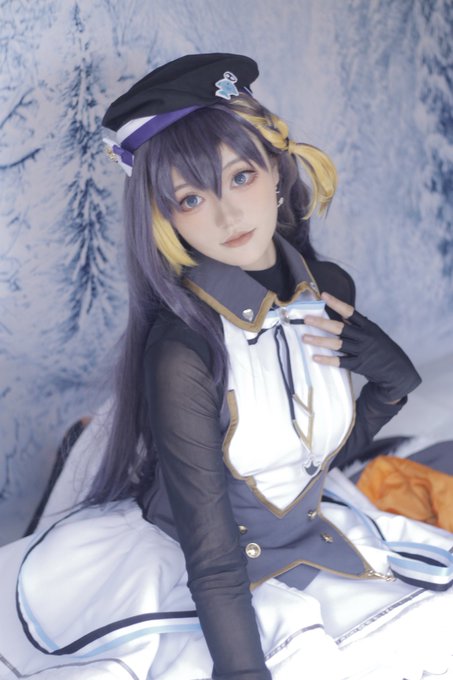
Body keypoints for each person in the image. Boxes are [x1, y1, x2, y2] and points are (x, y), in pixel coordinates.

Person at [2, 53, 453, 680]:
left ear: (277, 171)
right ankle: (84, 448)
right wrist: (242, 673)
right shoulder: (182, 350)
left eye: (240, 176)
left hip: (305, 540)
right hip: (203, 571)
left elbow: (310, 459)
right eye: (191, 197)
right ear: (164, 218)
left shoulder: (327, 290)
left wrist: (392, 382)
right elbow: (213, 555)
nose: (227, 214)